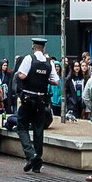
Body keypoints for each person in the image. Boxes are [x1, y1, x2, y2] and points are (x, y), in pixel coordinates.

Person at [12, 36, 58, 173]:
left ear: (33, 47)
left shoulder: (29, 59)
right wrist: (43, 78)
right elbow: (56, 81)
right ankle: (37, 161)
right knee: (39, 130)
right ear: (43, 48)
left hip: (28, 99)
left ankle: (30, 154)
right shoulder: (49, 63)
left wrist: (20, 75)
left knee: (22, 127)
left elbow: (22, 76)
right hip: (41, 100)